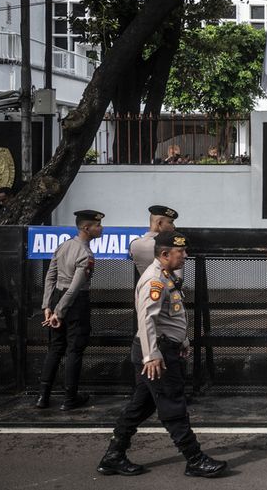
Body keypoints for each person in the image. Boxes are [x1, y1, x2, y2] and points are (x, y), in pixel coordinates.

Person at [97, 231, 227, 478]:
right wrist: (152, 356)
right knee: (173, 404)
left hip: (164, 348)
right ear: (165, 254)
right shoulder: (155, 280)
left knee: (141, 406)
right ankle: (194, 459)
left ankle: (113, 456)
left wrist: (182, 339)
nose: (185, 255)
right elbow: (147, 320)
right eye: (181, 252)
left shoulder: (166, 276)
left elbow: (172, 315)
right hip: (158, 353)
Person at [36, 209, 102, 410]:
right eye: (97, 225)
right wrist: (59, 312)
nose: (101, 228)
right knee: (74, 350)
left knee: (55, 348)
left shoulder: (63, 246)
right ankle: (69, 398)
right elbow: (74, 289)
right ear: (86, 228)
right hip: (75, 303)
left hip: (57, 297)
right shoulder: (86, 253)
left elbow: (50, 277)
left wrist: (48, 306)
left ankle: (43, 397)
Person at [129, 205, 180, 284]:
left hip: (145, 287)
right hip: (168, 291)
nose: (174, 226)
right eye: (171, 222)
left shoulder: (134, 244)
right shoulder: (171, 246)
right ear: (159, 223)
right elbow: (178, 278)